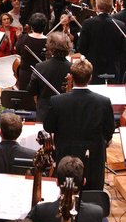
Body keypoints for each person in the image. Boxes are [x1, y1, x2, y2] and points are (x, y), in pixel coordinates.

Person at [43, 58, 115, 190]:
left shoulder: (57, 101)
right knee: (92, 194)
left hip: (65, 156)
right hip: (93, 157)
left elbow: (48, 126)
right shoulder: (103, 102)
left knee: (66, 192)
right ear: (90, 77)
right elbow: (109, 129)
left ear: (71, 77)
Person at [78, 0, 126, 84]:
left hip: (93, 70)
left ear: (97, 6)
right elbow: (123, 50)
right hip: (113, 70)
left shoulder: (88, 24)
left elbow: (81, 48)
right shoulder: (121, 25)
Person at [27, 32, 72, 122]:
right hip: (66, 111)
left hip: (45, 112)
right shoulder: (73, 67)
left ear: (50, 47)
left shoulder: (40, 67)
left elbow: (31, 90)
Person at [15, 13, 47, 90]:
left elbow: (18, 52)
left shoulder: (23, 38)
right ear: (45, 26)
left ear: (31, 26)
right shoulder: (49, 42)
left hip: (25, 75)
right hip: (41, 75)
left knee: (25, 99)